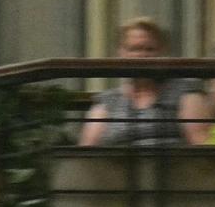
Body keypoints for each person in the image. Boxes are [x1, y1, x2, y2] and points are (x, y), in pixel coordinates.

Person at [77, 16, 208, 148]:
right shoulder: (108, 101)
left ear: (162, 52)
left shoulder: (185, 92)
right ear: (121, 53)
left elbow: (200, 145)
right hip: (117, 167)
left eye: (149, 49)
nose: (142, 55)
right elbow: (87, 152)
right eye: (134, 49)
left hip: (173, 167)